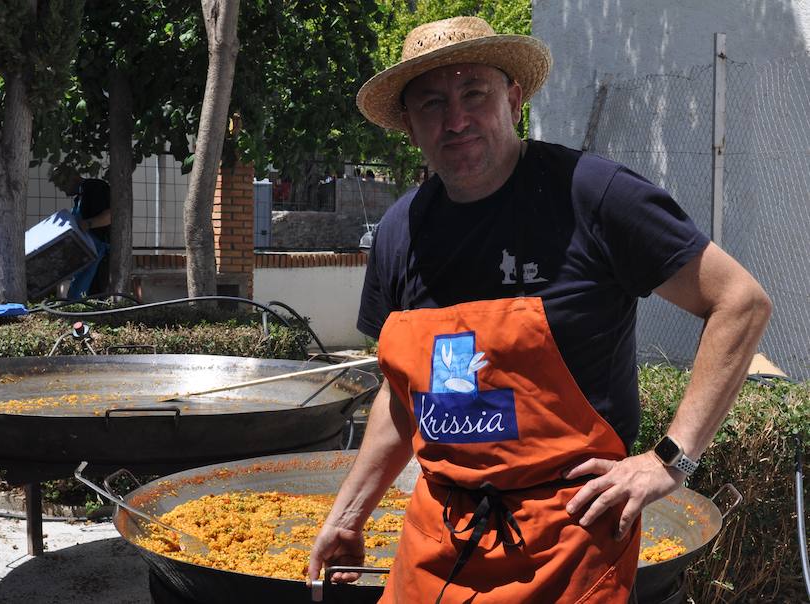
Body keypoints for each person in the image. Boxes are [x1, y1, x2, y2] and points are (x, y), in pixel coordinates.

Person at [308, 16, 771, 603]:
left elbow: (740, 302)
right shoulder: (401, 232)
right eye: (431, 103)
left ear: (513, 96)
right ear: (410, 127)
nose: (455, 120)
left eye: (473, 93)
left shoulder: (593, 194)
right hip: (437, 540)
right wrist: (349, 515)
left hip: (566, 547)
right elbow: (404, 397)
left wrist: (670, 460)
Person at [50, 165, 111, 299]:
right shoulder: (80, 196)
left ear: (73, 178)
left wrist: (88, 224)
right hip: (86, 251)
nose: (60, 188)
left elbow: (109, 216)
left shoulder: (94, 188)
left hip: (98, 250)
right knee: (78, 291)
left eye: (62, 184)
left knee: (87, 293)